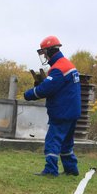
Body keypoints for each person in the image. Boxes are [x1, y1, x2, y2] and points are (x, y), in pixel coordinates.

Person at [23, 36, 81, 177]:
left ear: (49, 51)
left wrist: (29, 94)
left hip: (62, 112)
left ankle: (50, 170)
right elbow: (57, 87)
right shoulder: (67, 64)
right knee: (67, 143)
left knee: (52, 141)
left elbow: (46, 89)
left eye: (44, 52)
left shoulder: (58, 69)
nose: (44, 56)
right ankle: (71, 169)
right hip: (72, 111)